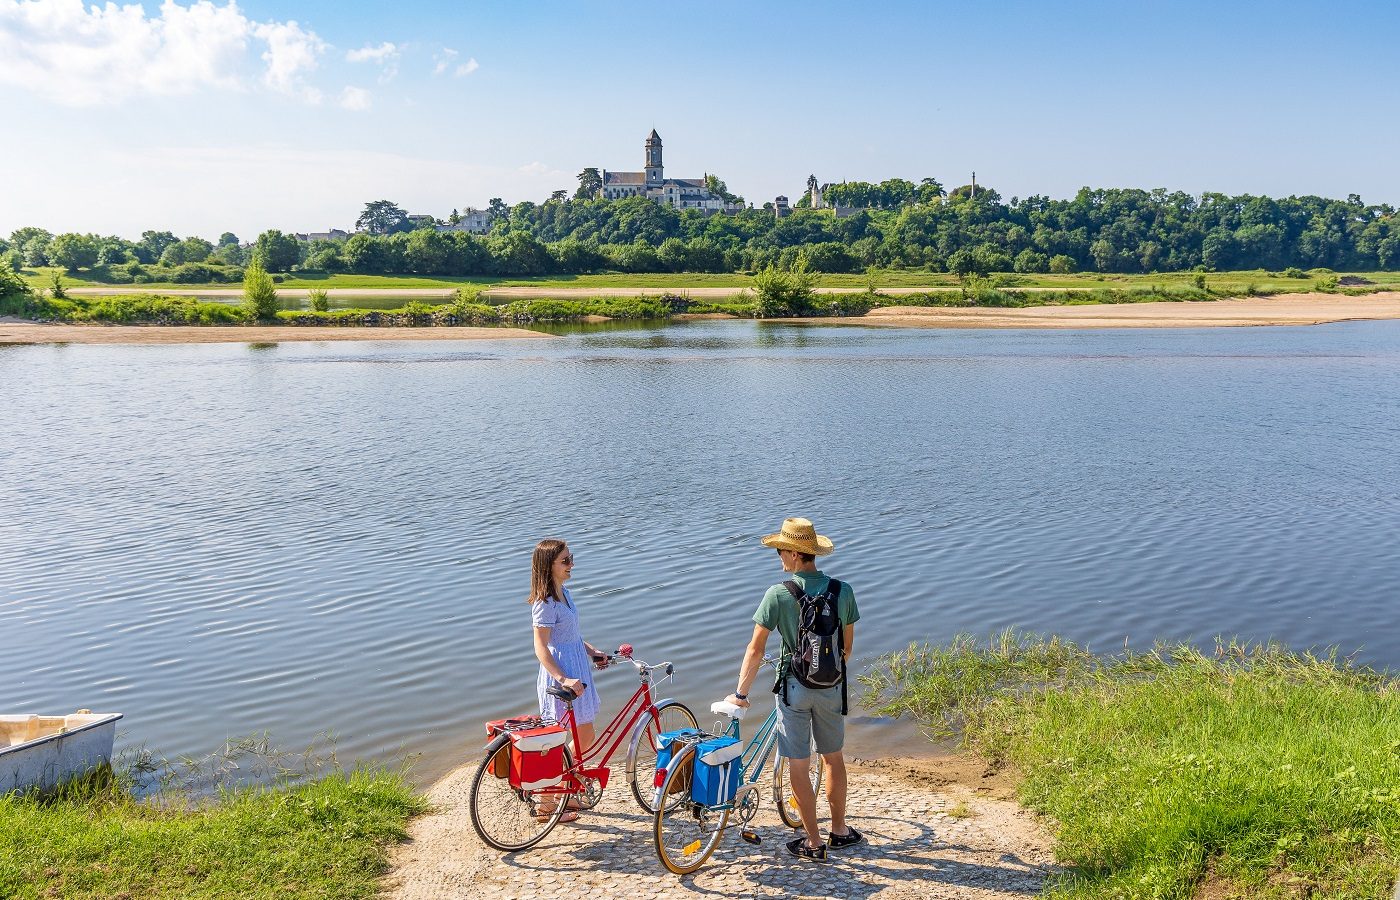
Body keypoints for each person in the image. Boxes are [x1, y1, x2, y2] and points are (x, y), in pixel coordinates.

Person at [725, 517, 862, 861]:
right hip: (831, 687)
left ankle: (813, 842)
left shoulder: (778, 594)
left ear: (795, 553)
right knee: (833, 758)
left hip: (793, 689)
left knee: (799, 764)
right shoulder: (842, 590)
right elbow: (847, 649)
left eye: (781, 552)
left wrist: (740, 694)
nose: (779, 559)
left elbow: (755, 649)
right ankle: (840, 831)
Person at [529, 538, 607, 819]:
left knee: (583, 735)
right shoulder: (545, 603)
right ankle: (548, 802)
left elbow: (571, 636)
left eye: (571, 557)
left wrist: (592, 651)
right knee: (566, 739)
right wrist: (563, 678)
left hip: (577, 671)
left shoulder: (566, 594)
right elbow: (541, 646)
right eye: (565, 560)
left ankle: (564, 792)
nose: (571, 564)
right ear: (548, 566)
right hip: (561, 677)